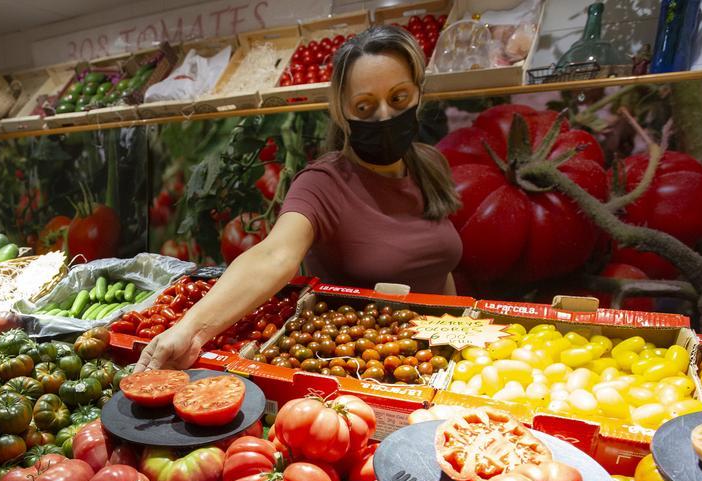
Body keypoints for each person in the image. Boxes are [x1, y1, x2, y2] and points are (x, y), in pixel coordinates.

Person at [136, 24, 462, 371]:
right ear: (342, 113)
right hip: (367, 365)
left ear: (418, 95)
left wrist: (456, 339)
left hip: (437, 360)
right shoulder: (322, 183)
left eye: (398, 99)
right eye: (365, 107)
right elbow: (274, 255)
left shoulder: (429, 164)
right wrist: (190, 330)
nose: (384, 116)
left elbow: (439, 267)